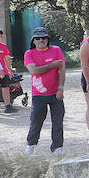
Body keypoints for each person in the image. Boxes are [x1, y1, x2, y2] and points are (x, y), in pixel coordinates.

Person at [23, 27, 66, 155]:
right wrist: (52, 65)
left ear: (48, 39)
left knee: (58, 120)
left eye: (44, 38)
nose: (41, 40)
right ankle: (31, 144)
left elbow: (62, 70)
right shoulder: (29, 53)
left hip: (55, 92)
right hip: (38, 94)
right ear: (33, 41)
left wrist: (61, 88)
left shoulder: (56, 50)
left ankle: (57, 147)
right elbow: (34, 71)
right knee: (36, 120)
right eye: (38, 38)